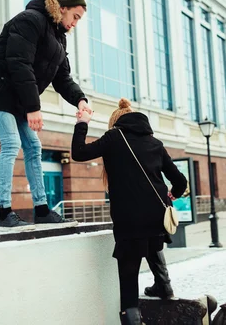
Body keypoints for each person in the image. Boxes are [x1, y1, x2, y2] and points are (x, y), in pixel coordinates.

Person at [0, 0, 92, 230]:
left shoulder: (59, 38)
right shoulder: (30, 20)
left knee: (33, 147)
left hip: (19, 97)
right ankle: (4, 213)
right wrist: (33, 107)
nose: (75, 23)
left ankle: (41, 209)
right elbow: (19, 63)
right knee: (11, 143)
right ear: (62, 8)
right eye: (75, 16)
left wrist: (80, 100)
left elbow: (62, 78)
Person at [71, 98, 187, 325]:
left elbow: (79, 152)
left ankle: (132, 318)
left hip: (129, 220)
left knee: (129, 274)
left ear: (115, 122)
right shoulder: (155, 142)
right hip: (156, 218)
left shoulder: (114, 137)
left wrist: (82, 122)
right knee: (152, 245)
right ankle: (163, 286)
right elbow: (180, 181)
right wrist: (172, 194)